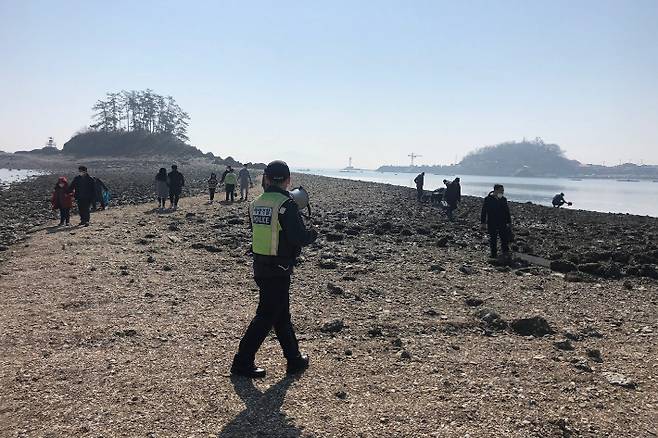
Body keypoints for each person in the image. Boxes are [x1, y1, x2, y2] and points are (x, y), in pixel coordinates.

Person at [231, 160, 318, 378]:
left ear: (266, 179)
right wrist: (312, 234)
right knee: (267, 315)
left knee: (281, 315)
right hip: (279, 267)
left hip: (260, 265)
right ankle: (242, 362)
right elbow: (298, 237)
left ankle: (294, 359)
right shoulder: (286, 204)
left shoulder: (256, 203)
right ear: (288, 181)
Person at [481, 184, 512, 259]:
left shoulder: (503, 199)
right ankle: (493, 254)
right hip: (492, 221)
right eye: (501, 190)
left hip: (502, 222)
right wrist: (483, 222)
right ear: (496, 190)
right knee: (493, 238)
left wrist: (509, 222)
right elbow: (484, 211)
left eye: (503, 191)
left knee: (504, 238)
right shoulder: (488, 199)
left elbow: (507, 211)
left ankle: (505, 252)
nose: (502, 192)